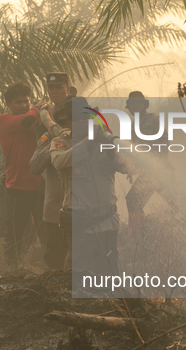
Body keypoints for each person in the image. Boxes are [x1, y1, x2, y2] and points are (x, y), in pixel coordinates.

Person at [47, 96, 132, 280]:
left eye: (86, 116)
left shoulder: (104, 140)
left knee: (110, 272)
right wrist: (87, 142)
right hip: (81, 225)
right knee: (80, 274)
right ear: (67, 121)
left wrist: (113, 149)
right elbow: (60, 162)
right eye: (76, 117)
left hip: (108, 222)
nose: (81, 121)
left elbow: (127, 168)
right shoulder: (60, 143)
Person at [0, 81, 41, 266]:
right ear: (8, 104)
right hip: (17, 187)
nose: (23, 105)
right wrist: (37, 108)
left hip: (39, 184)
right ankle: (11, 270)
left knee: (43, 230)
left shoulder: (33, 116)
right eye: (18, 102)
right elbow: (27, 120)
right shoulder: (5, 120)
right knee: (14, 233)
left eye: (26, 101)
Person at [29, 73, 71, 270]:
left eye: (59, 87)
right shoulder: (49, 135)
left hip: (82, 211)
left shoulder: (88, 137)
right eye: (51, 88)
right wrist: (55, 143)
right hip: (55, 210)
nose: (54, 91)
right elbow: (35, 165)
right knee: (55, 259)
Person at [124, 91, 169, 237]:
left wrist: (158, 163)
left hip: (158, 170)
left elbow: (166, 140)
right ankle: (138, 232)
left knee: (133, 199)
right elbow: (134, 151)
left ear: (144, 105)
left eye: (138, 103)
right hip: (146, 171)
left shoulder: (154, 119)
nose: (135, 106)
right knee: (134, 200)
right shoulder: (132, 125)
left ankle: (137, 233)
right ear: (129, 106)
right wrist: (131, 169)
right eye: (132, 103)